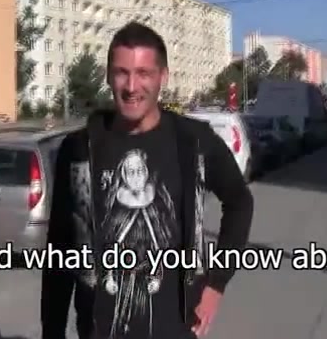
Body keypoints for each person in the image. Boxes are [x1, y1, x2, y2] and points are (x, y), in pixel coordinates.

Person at [41, 21, 254, 339]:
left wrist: (216, 283)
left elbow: (240, 202)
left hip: (176, 328)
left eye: (143, 73)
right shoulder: (80, 149)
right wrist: (52, 331)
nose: (131, 86)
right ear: (108, 76)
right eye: (121, 72)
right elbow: (59, 245)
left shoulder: (193, 141)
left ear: (162, 77)